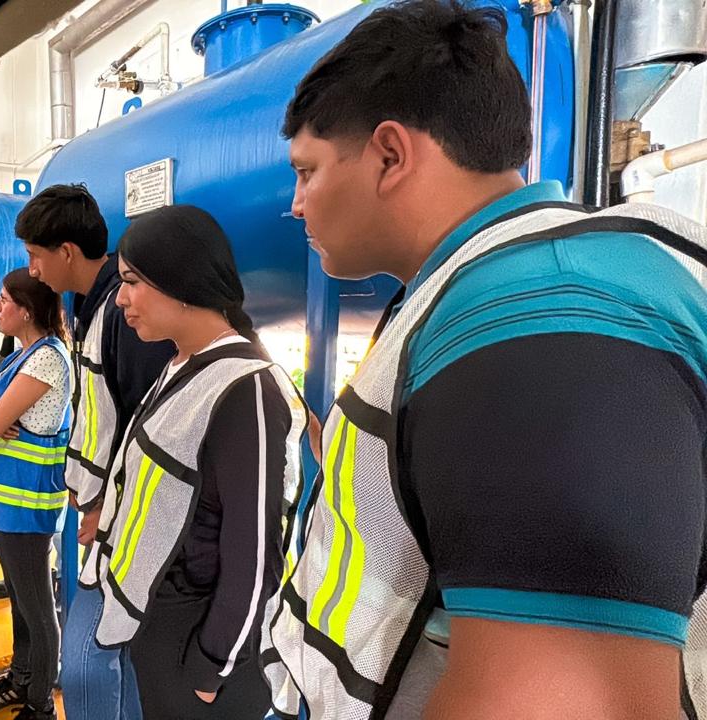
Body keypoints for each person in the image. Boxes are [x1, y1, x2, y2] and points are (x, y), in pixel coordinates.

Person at [259, 2, 707, 718]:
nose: (296, 203)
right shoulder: (482, 292)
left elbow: (561, 704)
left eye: (306, 171)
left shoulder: (544, 314)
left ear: (390, 154)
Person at [69, 204, 305, 719]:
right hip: (159, 626)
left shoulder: (247, 389)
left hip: (198, 647)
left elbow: (254, 553)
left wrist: (213, 666)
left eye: (132, 282)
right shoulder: (181, 361)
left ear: (180, 282)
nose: (121, 299)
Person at [19, 183, 175, 719]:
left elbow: (146, 424)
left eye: (36, 256)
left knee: (92, 658)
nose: (33, 270)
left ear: (66, 252)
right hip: (103, 509)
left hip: (122, 515)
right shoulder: (93, 306)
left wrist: (109, 502)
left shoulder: (124, 315)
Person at [0, 268, 73, 720]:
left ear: (27, 311)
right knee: (21, 601)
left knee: (38, 609)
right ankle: (21, 676)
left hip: (27, 506)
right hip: (4, 503)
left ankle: (40, 702)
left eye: (4, 299)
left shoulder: (47, 359)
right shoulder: (21, 354)